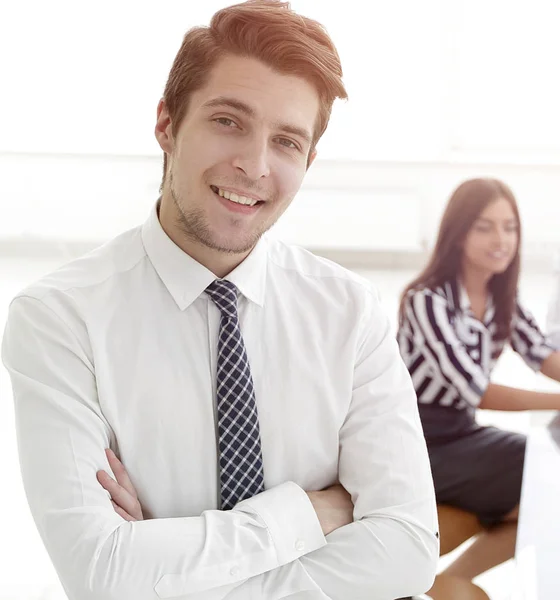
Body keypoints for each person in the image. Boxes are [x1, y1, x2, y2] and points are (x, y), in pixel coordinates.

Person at [1, 2, 439, 599]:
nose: (254, 165)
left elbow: (408, 554)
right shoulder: (60, 319)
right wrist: (309, 514)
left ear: (307, 161)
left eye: (286, 141)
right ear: (166, 123)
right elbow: (100, 573)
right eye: (229, 121)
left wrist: (165, 565)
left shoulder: (350, 313)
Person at [397, 177, 560, 594]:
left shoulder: (501, 297)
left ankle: (448, 583)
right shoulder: (426, 300)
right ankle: (430, 581)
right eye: (484, 226)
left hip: (462, 433)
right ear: (458, 232)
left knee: (546, 486)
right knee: (541, 469)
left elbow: (543, 354)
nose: (501, 239)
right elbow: (476, 390)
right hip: (417, 439)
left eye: (510, 227)